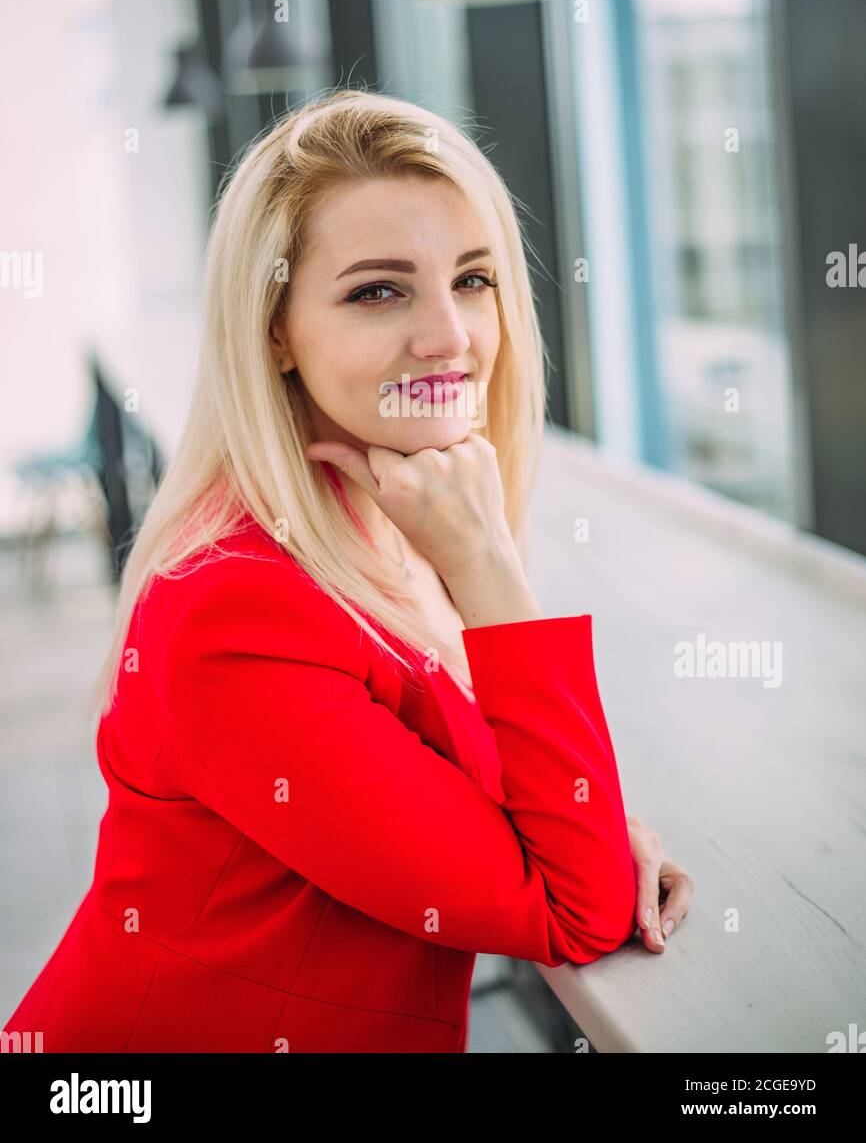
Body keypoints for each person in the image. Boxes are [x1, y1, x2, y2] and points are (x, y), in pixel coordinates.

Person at [2, 89, 692, 1054]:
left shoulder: (376, 506)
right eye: (379, 290)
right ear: (275, 329)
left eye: (474, 279)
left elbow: (498, 805)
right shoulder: (237, 605)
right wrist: (490, 569)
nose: (449, 336)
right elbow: (578, 912)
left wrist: (592, 819)